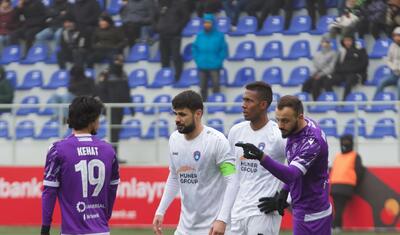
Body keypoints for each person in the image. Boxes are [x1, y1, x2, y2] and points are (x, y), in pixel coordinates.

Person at [235, 95, 332, 235]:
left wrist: (261, 156)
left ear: (300, 117)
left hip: (313, 215)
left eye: (285, 121)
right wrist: (285, 191)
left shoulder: (312, 142)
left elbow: (292, 174)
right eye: (278, 119)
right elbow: (296, 166)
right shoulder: (294, 129)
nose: (280, 125)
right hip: (303, 211)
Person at [152, 90, 239, 235]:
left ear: (198, 114)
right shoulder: (174, 139)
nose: (177, 119)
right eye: (176, 114)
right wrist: (160, 211)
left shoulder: (217, 141)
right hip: (184, 229)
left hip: (213, 229)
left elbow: (232, 181)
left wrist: (222, 219)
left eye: (183, 114)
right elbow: (174, 177)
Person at [41, 96, 120, 235]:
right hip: (101, 230)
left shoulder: (57, 150)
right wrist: (104, 218)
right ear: (92, 121)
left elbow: (49, 192)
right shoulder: (109, 150)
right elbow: (112, 190)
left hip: (72, 231)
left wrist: (45, 229)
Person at [228, 81, 286, 235]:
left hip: (263, 212)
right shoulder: (236, 131)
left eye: (249, 101)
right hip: (238, 212)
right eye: (243, 100)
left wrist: (285, 198)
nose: (243, 105)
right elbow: (231, 172)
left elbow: (299, 170)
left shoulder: (278, 135)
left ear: (263, 105)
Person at [96, 55, 133, 164]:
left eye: (121, 60)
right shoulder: (106, 73)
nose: (119, 62)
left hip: (120, 108)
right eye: (117, 60)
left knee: (116, 132)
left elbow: (126, 91)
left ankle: (114, 156)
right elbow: (100, 91)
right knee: (112, 132)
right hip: (110, 108)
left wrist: (131, 107)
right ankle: (111, 156)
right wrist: (106, 105)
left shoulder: (123, 74)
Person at [330, 134, 365, 231]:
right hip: (346, 186)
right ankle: (335, 227)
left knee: (338, 208)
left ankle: (336, 227)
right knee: (339, 208)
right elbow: (359, 172)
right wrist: (356, 186)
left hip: (335, 185)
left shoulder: (337, 156)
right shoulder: (355, 156)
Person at [192, 13, 228, 101]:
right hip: (202, 65)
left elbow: (224, 49)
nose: (207, 24)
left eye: (209, 23)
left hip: (215, 66)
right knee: (202, 87)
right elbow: (194, 48)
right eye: (205, 23)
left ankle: (216, 106)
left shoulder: (219, 36)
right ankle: (203, 107)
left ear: (213, 23)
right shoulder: (199, 35)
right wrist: (197, 60)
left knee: (216, 86)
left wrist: (219, 61)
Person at [325, 33, 368, 101]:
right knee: (327, 81)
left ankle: (344, 101)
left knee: (349, 81)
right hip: (342, 74)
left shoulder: (360, 50)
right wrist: (341, 70)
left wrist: (350, 70)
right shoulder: (341, 51)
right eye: (345, 41)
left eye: (349, 40)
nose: (347, 42)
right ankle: (333, 100)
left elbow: (364, 64)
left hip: (355, 74)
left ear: (353, 41)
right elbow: (337, 65)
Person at [154, 0, 189, 81]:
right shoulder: (159, 4)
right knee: (164, 58)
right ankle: (165, 78)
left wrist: (178, 28)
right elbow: (154, 18)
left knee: (176, 56)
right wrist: (157, 27)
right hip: (162, 36)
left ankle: (178, 77)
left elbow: (186, 17)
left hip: (175, 36)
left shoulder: (179, 3)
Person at [302, 36, 338, 101]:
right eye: (324, 42)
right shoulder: (317, 54)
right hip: (316, 73)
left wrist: (320, 74)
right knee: (306, 84)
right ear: (321, 43)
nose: (325, 44)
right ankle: (305, 102)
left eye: (327, 42)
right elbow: (314, 66)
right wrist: (314, 74)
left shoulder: (333, 53)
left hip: (326, 74)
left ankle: (316, 102)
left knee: (316, 83)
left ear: (330, 44)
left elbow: (331, 67)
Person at [374, 26, 400, 99]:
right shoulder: (392, 46)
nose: (397, 38)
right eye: (395, 36)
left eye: (398, 36)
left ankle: (398, 106)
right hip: (395, 74)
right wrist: (393, 67)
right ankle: (374, 103)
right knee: (381, 82)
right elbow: (388, 60)